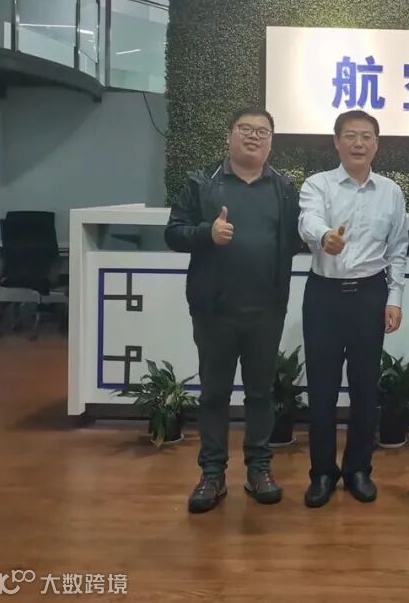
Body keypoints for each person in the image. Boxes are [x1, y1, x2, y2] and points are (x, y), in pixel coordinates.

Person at [165, 106, 301, 514]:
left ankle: (259, 469)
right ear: (229, 135)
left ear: (271, 142)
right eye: (246, 129)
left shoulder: (284, 187)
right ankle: (212, 474)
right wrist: (207, 233)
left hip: (266, 310)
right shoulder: (202, 181)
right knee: (214, 394)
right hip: (214, 310)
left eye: (263, 131)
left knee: (261, 394)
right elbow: (173, 233)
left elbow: (296, 238)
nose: (254, 136)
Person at [297, 110, 409, 508]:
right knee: (322, 390)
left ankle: (359, 469)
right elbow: (308, 220)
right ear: (336, 141)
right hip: (324, 296)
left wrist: (394, 299)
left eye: (366, 136)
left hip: (369, 295)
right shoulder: (318, 184)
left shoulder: (391, 192)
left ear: (377, 143)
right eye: (350, 135)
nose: (358, 143)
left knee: (365, 388)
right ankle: (322, 473)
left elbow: (398, 249)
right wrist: (324, 236)